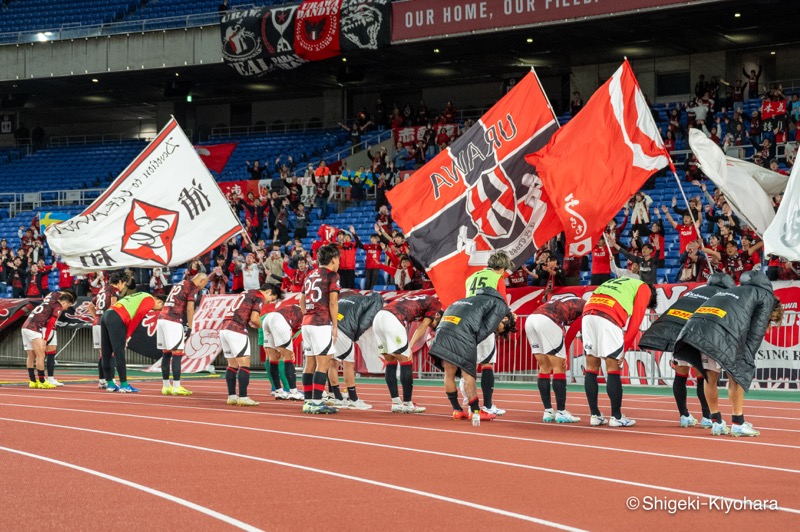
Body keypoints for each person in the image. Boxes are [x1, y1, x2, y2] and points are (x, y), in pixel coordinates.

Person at [673, 270, 782, 437]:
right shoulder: (765, 297)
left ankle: (716, 422)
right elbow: (757, 331)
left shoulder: (733, 290)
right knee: (736, 376)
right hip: (724, 333)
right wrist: (747, 357)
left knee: (710, 378)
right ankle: (738, 423)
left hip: (700, 331)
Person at [638, 273, 735, 428]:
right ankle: (707, 416)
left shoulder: (695, 291)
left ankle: (684, 416)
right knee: (702, 376)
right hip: (697, 334)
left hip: (678, 332)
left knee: (680, 373)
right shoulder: (721, 295)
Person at [429, 287, 516, 423]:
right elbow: (486, 330)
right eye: (499, 328)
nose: (496, 330)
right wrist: (471, 343)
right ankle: (475, 411)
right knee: (468, 373)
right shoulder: (500, 305)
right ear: (504, 318)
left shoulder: (469, 299)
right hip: (462, 333)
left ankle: (457, 410)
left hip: (442, 331)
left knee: (449, 372)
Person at [581, 277, 657, 427]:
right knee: (613, 367)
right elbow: (636, 320)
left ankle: (595, 415)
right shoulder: (644, 288)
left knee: (591, 366)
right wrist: (625, 348)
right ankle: (616, 416)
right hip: (609, 316)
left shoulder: (619, 282)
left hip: (588, 313)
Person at [458, 251, 512, 416]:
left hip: (467, 319)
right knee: (487, 363)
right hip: (484, 321)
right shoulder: (497, 279)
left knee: (470, 364)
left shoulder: (472, 277)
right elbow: (502, 304)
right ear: (502, 268)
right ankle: (487, 405)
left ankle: (469, 402)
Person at [373, 293, 442, 413]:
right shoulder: (435, 304)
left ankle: (396, 402)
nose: (432, 326)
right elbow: (422, 327)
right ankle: (408, 403)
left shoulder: (421, 299)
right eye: (435, 324)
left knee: (390, 360)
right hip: (393, 319)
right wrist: (410, 346)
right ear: (437, 316)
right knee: (406, 361)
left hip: (379, 317)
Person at [525, 296, 585, 423]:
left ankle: (548, 410)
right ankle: (561, 412)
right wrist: (565, 353)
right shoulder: (587, 308)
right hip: (549, 320)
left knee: (544, 367)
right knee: (559, 367)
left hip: (531, 319)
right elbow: (574, 329)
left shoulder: (571, 301)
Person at [220, 284, 280, 406]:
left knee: (232, 364)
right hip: (237, 329)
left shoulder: (246, 292)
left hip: (224, 327)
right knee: (244, 364)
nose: (270, 302)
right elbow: (254, 318)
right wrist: (263, 327)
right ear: (268, 291)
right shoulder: (259, 296)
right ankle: (243, 396)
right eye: (272, 298)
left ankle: (231, 396)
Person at [299, 244, 341, 414]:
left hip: (306, 322)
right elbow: (333, 302)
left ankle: (308, 401)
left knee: (310, 363)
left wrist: (307, 314)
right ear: (333, 259)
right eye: (338, 258)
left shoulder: (309, 274)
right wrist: (335, 326)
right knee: (323, 363)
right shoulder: (333, 275)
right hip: (320, 323)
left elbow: (301, 301)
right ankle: (316, 402)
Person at [327, 292, 384, 410]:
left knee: (333, 363)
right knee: (348, 364)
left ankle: (336, 397)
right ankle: (353, 399)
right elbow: (365, 322)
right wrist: (355, 337)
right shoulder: (375, 302)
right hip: (344, 330)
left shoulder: (350, 298)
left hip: (329, 326)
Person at [102, 292, 165, 393]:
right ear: (159, 301)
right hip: (117, 317)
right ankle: (124, 384)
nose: (155, 310)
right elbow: (137, 318)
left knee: (106, 352)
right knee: (119, 353)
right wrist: (128, 336)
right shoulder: (150, 300)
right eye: (159, 308)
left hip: (107, 314)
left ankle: (110, 384)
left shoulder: (141, 295)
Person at [156, 273, 208, 396]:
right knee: (177, 353)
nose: (202, 288)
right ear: (201, 281)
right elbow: (190, 307)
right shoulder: (193, 287)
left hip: (162, 318)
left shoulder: (181, 283)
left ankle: (166, 386)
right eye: (204, 284)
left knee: (166, 353)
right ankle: (176, 386)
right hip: (173, 320)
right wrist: (190, 326)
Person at [22, 290, 76, 389]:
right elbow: (51, 323)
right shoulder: (58, 306)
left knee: (31, 355)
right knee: (41, 355)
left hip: (25, 326)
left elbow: (56, 292)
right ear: (64, 303)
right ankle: (42, 381)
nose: (66, 309)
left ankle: (32, 381)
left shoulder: (50, 299)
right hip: (34, 328)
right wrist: (45, 339)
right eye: (67, 306)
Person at [261, 296, 306, 402]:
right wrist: (290, 350)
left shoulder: (295, 307)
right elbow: (300, 333)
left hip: (268, 318)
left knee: (273, 358)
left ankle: (278, 391)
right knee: (288, 357)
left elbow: (293, 331)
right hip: (280, 321)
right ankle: (294, 392)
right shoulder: (308, 314)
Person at [89, 272, 127, 389]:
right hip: (106, 324)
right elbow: (113, 308)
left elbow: (90, 306)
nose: (123, 287)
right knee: (109, 354)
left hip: (96, 323)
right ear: (120, 282)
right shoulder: (114, 291)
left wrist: (97, 317)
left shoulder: (103, 290)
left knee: (102, 354)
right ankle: (110, 379)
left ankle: (102, 380)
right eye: (124, 284)